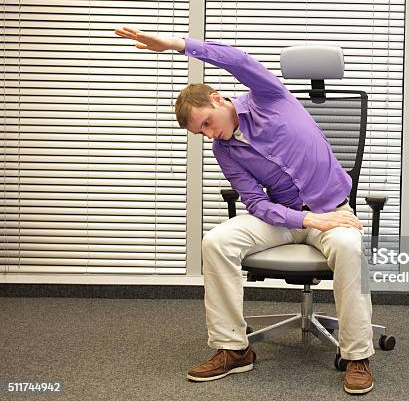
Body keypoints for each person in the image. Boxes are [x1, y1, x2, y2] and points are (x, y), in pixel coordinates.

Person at [114, 26, 375, 395]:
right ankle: (233, 349)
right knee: (216, 242)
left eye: (206, 122)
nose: (208, 134)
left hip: (332, 211)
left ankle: (357, 355)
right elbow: (256, 203)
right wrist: (305, 219)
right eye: (199, 133)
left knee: (350, 250)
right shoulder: (224, 150)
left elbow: (236, 59)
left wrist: (175, 44)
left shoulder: (270, 97)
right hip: (287, 217)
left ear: (218, 99)